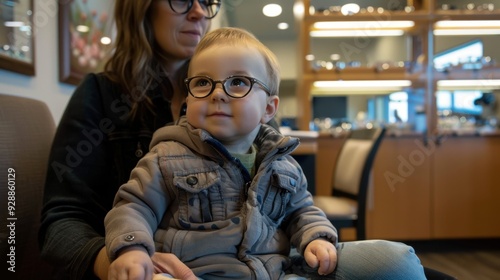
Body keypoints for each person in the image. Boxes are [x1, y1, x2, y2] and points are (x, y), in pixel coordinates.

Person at [104, 27, 427, 280]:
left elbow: (302, 211)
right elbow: (133, 206)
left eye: (239, 83)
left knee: (396, 262)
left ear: (269, 108)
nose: (218, 93)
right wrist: (132, 249)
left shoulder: (283, 164)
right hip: (196, 273)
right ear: (188, 100)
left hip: (276, 271)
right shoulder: (165, 158)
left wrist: (316, 239)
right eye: (203, 82)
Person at [38, 1, 223, 279]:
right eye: (182, 0)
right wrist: (120, 263)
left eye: (207, 1)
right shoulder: (100, 95)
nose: (199, 12)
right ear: (141, 8)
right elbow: (62, 222)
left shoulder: (232, 99)